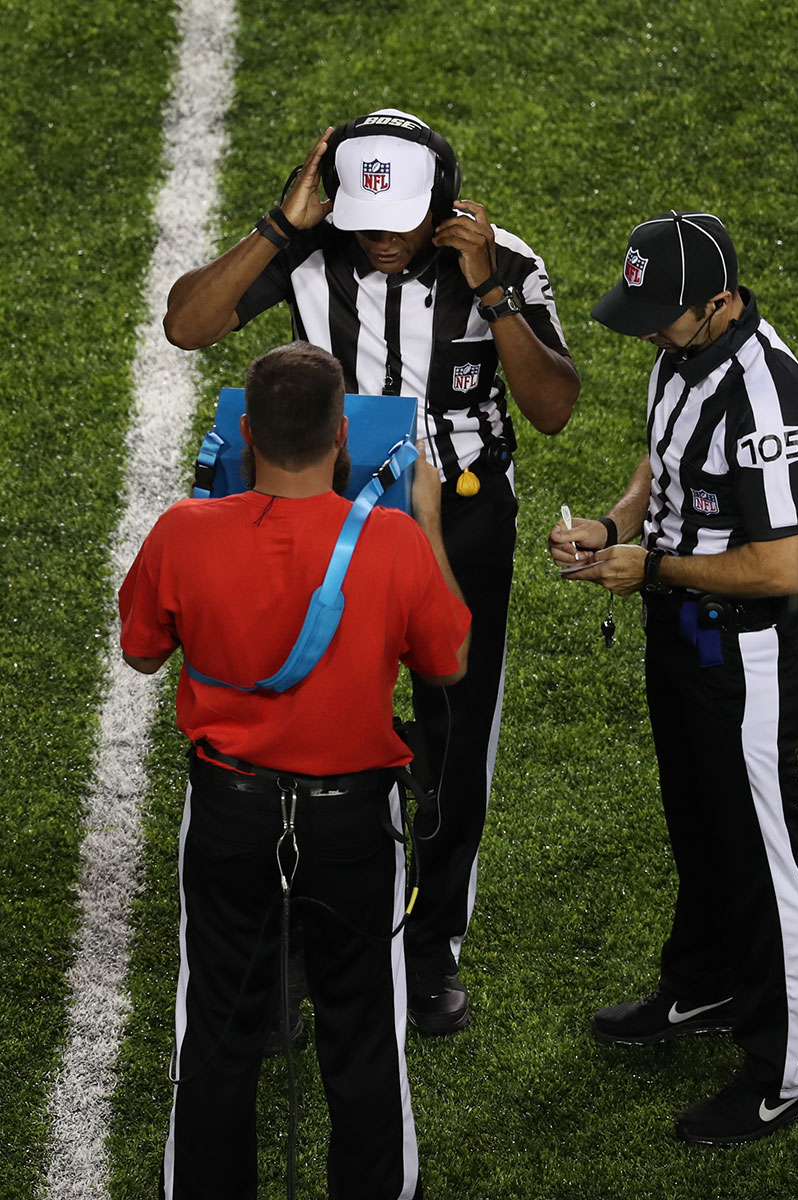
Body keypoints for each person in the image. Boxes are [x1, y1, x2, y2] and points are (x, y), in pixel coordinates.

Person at [164, 107, 579, 1034]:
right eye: (366, 218)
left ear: (442, 201)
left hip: (459, 516)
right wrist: (278, 225)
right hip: (320, 511)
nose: (382, 240)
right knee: (300, 716)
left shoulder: (499, 257)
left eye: (400, 221)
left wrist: (494, 295)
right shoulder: (310, 242)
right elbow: (186, 326)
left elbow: (550, 407)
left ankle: (425, 954)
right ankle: (289, 938)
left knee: (452, 728)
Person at [119, 341, 471, 1200]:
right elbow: (451, 659)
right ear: (342, 438)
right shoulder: (388, 541)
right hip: (353, 825)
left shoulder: (182, 531)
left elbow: (139, 653)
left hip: (230, 813)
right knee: (362, 1034)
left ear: (246, 431)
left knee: (217, 1030)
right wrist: (426, 517)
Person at [548, 210, 798, 1146]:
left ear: (718, 302)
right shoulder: (683, 352)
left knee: (763, 859)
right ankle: (704, 983)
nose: (648, 328)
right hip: (679, 634)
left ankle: (786, 1074)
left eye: (663, 313)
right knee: (700, 827)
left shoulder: (766, 403)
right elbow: (659, 462)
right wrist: (614, 526)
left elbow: (780, 569)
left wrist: (656, 569)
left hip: (740, 652)